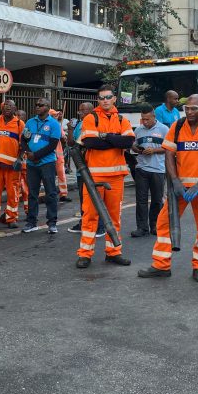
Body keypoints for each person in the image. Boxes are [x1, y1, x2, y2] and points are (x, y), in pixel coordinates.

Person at [137, 94, 198, 282]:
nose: (189, 112)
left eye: (194, 108)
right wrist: (175, 181)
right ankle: (161, 265)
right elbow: (169, 155)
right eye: (186, 108)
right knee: (163, 223)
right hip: (178, 188)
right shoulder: (177, 127)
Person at [76, 84, 135, 268]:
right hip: (93, 178)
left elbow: (129, 140)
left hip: (116, 177)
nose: (105, 100)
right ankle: (85, 254)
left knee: (114, 216)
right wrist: (114, 139)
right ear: (98, 100)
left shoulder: (122, 119)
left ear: (114, 98)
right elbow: (91, 143)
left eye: (108, 97)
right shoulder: (90, 118)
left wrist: (105, 137)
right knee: (90, 216)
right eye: (101, 98)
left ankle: (113, 252)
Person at [19, 98, 62, 234]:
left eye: (40, 105)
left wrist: (36, 155)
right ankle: (31, 222)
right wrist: (28, 152)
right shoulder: (31, 122)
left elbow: (52, 145)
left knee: (51, 193)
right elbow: (24, 140)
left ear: (48, 107)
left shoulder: (54, 124)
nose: (37, 107)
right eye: (36, 105)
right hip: (32, 164)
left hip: (47, 163)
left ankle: (52, 222)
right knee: (32, 193)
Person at [0, 100, 24, 229]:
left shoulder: (19, 124)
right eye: (6, 105)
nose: (7, 108)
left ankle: (11, 218)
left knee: (13, 193)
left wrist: (19, 159)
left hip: (12, 167)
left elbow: (23, 144)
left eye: (10, 106)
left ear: (15, 109)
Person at [130, 104, 168, 237]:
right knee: (141, 200)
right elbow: (133, 146)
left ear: (154, 116)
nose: (144, 122)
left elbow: (169, 148)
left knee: (157, 200)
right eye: (143, 119)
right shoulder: (138, 130)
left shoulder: (164, 129)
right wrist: (136, 149)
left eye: (147, 119)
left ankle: (155, 225)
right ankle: (142, 227)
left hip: (158, 169)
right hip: (142, 168)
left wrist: (154, 150)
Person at [67, 102, 104, 237]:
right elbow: (71, 143)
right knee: (84, 199)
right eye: (79, 110)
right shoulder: (79, 125)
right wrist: (70, 129)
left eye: (84, 110)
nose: (80, 113)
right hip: (80, 167)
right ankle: (85, 222)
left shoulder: (94, 123)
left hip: (91, 167)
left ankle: (100, 226)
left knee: (94, 198)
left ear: (91, 111)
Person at [52, 108, 70, 202]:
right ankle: (49, 194)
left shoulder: (58, 126)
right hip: (48, 156)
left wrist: (63, 136)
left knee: (61, 174)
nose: (56, 117)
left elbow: (64, 139)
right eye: (53, 115)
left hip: (58, 155)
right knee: (48, 176)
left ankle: (63, 194)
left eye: (56, 115)